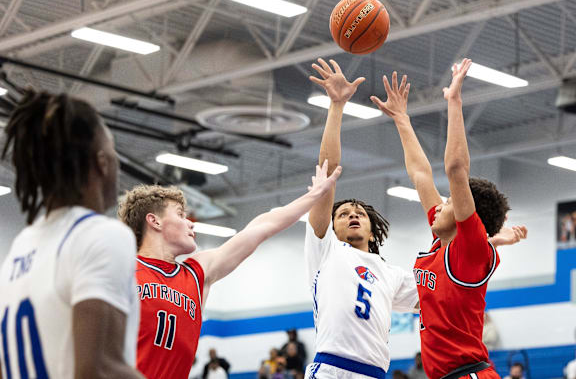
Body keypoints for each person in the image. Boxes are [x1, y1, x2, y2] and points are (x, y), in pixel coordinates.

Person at [119, 160, 342, 379]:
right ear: (154, 221)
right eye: (180, 214)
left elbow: (260, 228)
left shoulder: (197, 273)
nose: (191, 223)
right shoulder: (124, 271)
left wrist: (313, 196)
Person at [375, 60, 527, 379]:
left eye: (448, 202)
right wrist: (402, 119)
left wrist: (454, 101)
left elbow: (456, 169)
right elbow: (420, 174)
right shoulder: (440, 240)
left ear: (461, 215)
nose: (439, 204)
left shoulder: (467, 250)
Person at [0, 91, 142, 378]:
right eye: (114, 155)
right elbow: (100, 369)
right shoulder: (101, 234)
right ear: (102, 163)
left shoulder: (20, 247)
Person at [303, 58, 420, 379]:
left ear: (372, 227)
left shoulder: (391, 274)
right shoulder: (325, 248)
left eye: (358, 212)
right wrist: (337, 107)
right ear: (333, 225)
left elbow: (440, 293)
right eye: (342, 213)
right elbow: (326, 174)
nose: (352, 214)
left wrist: (485, 242)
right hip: (331, 368)